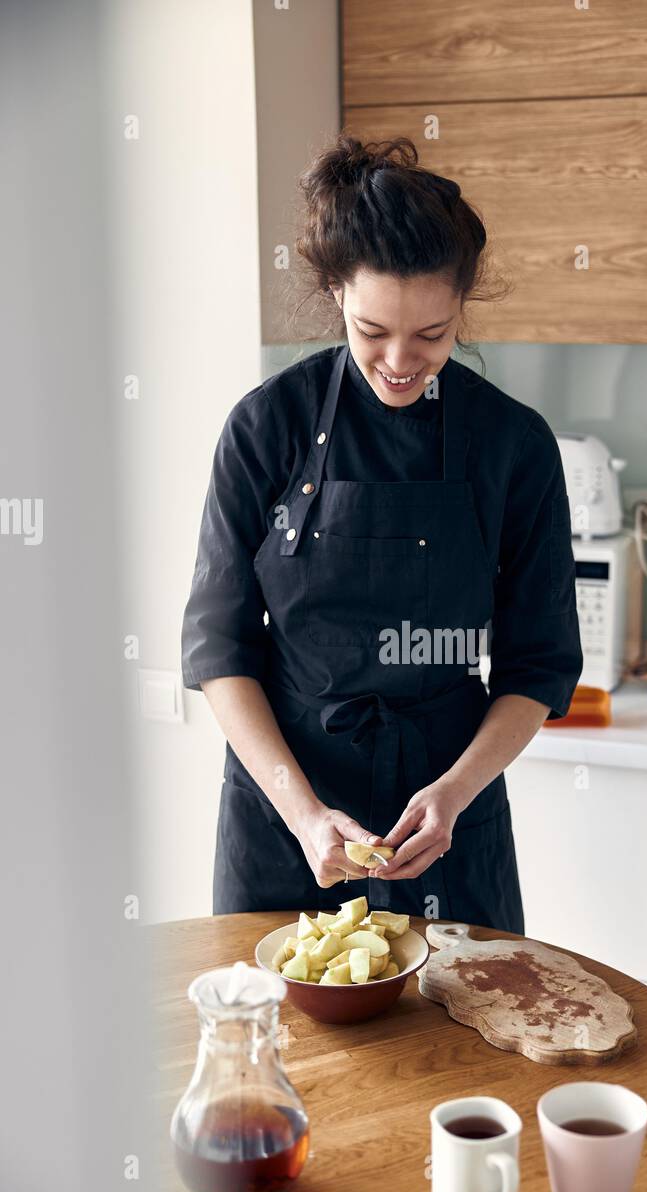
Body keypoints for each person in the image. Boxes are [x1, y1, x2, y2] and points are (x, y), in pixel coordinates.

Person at [181, 135, 582, 935]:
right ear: (336, 294)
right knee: (276, 1045)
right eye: (373, 330)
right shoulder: (266, 427)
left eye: (431, 335)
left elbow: (538, 664)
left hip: (446, 818)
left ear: (463, 306)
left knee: (465, 1046)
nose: (400, 362)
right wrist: (303, 814)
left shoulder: (513, 444)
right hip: (284, 819)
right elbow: (220, 649)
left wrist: (455, 794)